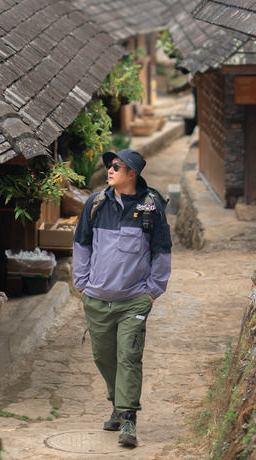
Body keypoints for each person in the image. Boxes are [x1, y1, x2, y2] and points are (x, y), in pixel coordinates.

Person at [73, 149, 172, 448]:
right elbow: (81, 244)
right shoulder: (96, 204)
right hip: (97, 299)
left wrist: (151, 294)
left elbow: (162, 253)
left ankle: (129, 418)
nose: (110, 170)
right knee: (104, 357)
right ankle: (116, 403)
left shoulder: (150, 208)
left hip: (133, 300)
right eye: (109, 166)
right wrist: (82, 286)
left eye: (117, 166)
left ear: (133, 174)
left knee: (129, 356)